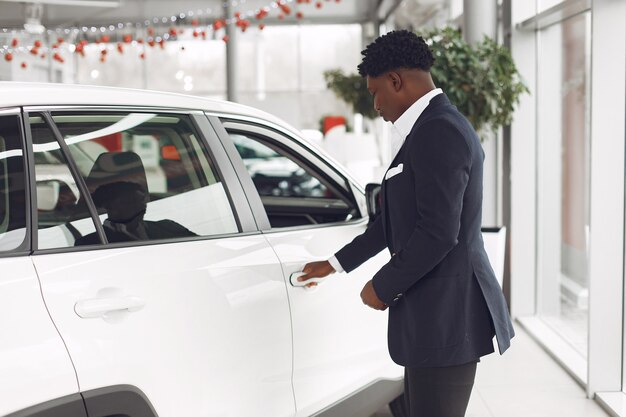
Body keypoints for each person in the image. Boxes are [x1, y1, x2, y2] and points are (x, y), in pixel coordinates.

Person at [298, 30, 515, 417]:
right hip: (433, 315)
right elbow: (393, 221)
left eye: (375, 92)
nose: (375, 104)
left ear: (396, 81)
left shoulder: (439, 130)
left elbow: (438, 232)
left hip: (447, 316)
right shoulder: (426, 128)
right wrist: (334, 264)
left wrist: (381, 287)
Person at [75, 181, 196, 245]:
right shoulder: (89, 243)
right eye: (130, 201)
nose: (141, 205)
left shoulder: (169, 227)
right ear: (108, 205)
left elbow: (205, 250)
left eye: (141, 200)